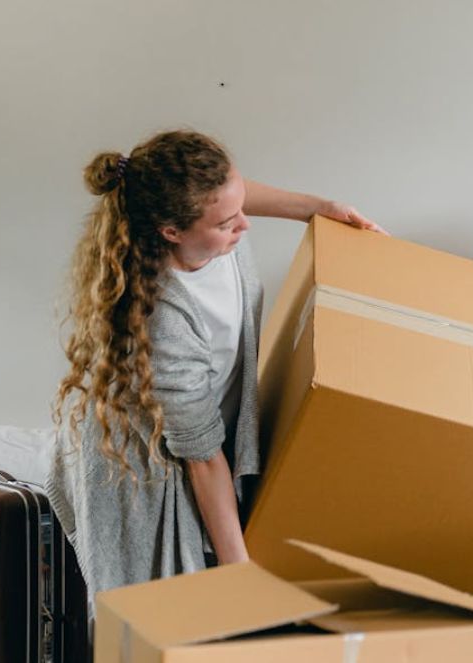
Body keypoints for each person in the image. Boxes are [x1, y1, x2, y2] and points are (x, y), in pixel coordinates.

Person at [47, 129, 384, 597]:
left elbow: (233, 195)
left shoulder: (214, 230)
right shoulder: (161, 318)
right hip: (140, 471)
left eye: (240, 207)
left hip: (200, 441)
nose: (244, 226)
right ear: (172, 231)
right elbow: (203, 460)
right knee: (169, 612)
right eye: (228, 222)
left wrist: (321, 207)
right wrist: (238, 575)